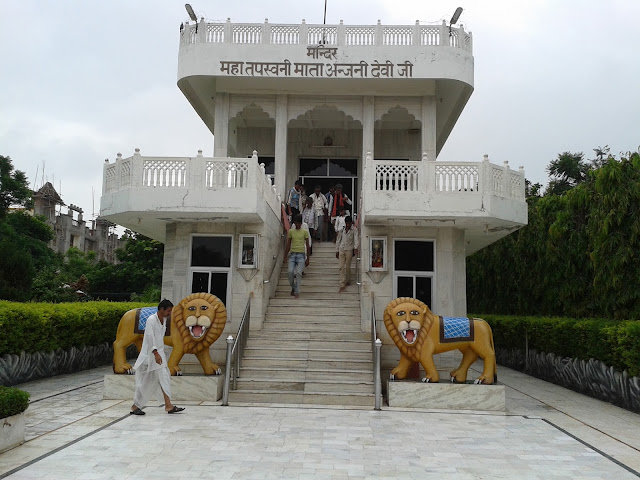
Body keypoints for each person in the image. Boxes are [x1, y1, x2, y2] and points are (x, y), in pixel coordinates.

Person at [130, 299, 185, 415]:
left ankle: (168, 405)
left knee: (164, 377)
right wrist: (155, 353)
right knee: (145, 382)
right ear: (161, 309)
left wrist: (159, 353)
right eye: (168, 311)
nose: (169, 313)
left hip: (159, 354)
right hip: (150, 355)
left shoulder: (163, 320)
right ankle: (136, 406)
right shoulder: (151, 320)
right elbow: (150, 338)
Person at [283, 214, 311, 298]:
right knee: (290, 272)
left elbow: (308, 245)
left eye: (299, 223)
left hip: (301, 255)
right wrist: (285, 256)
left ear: (301, 223)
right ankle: (294, 287)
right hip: (292, 254)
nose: (297, 225)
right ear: (294, 223)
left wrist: (308, 258)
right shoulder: (291, 231)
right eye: (296, 223)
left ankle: (297, 292)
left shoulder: (304, 232)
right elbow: (288, 244)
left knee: (299, 273)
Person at [335, 216, 359, 293]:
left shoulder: (354, 230)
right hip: (342, 249)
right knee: (341, 267)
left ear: (351, 223)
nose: (348, 225)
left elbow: (356, 239)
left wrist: (355, 248)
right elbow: (338, 240)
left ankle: (348, 279)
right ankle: (342, 284)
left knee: (348, 267)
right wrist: (337, 250)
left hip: (349, 250)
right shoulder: (342, 230)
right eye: (347, 223)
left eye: (349, 223)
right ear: (345, 223)